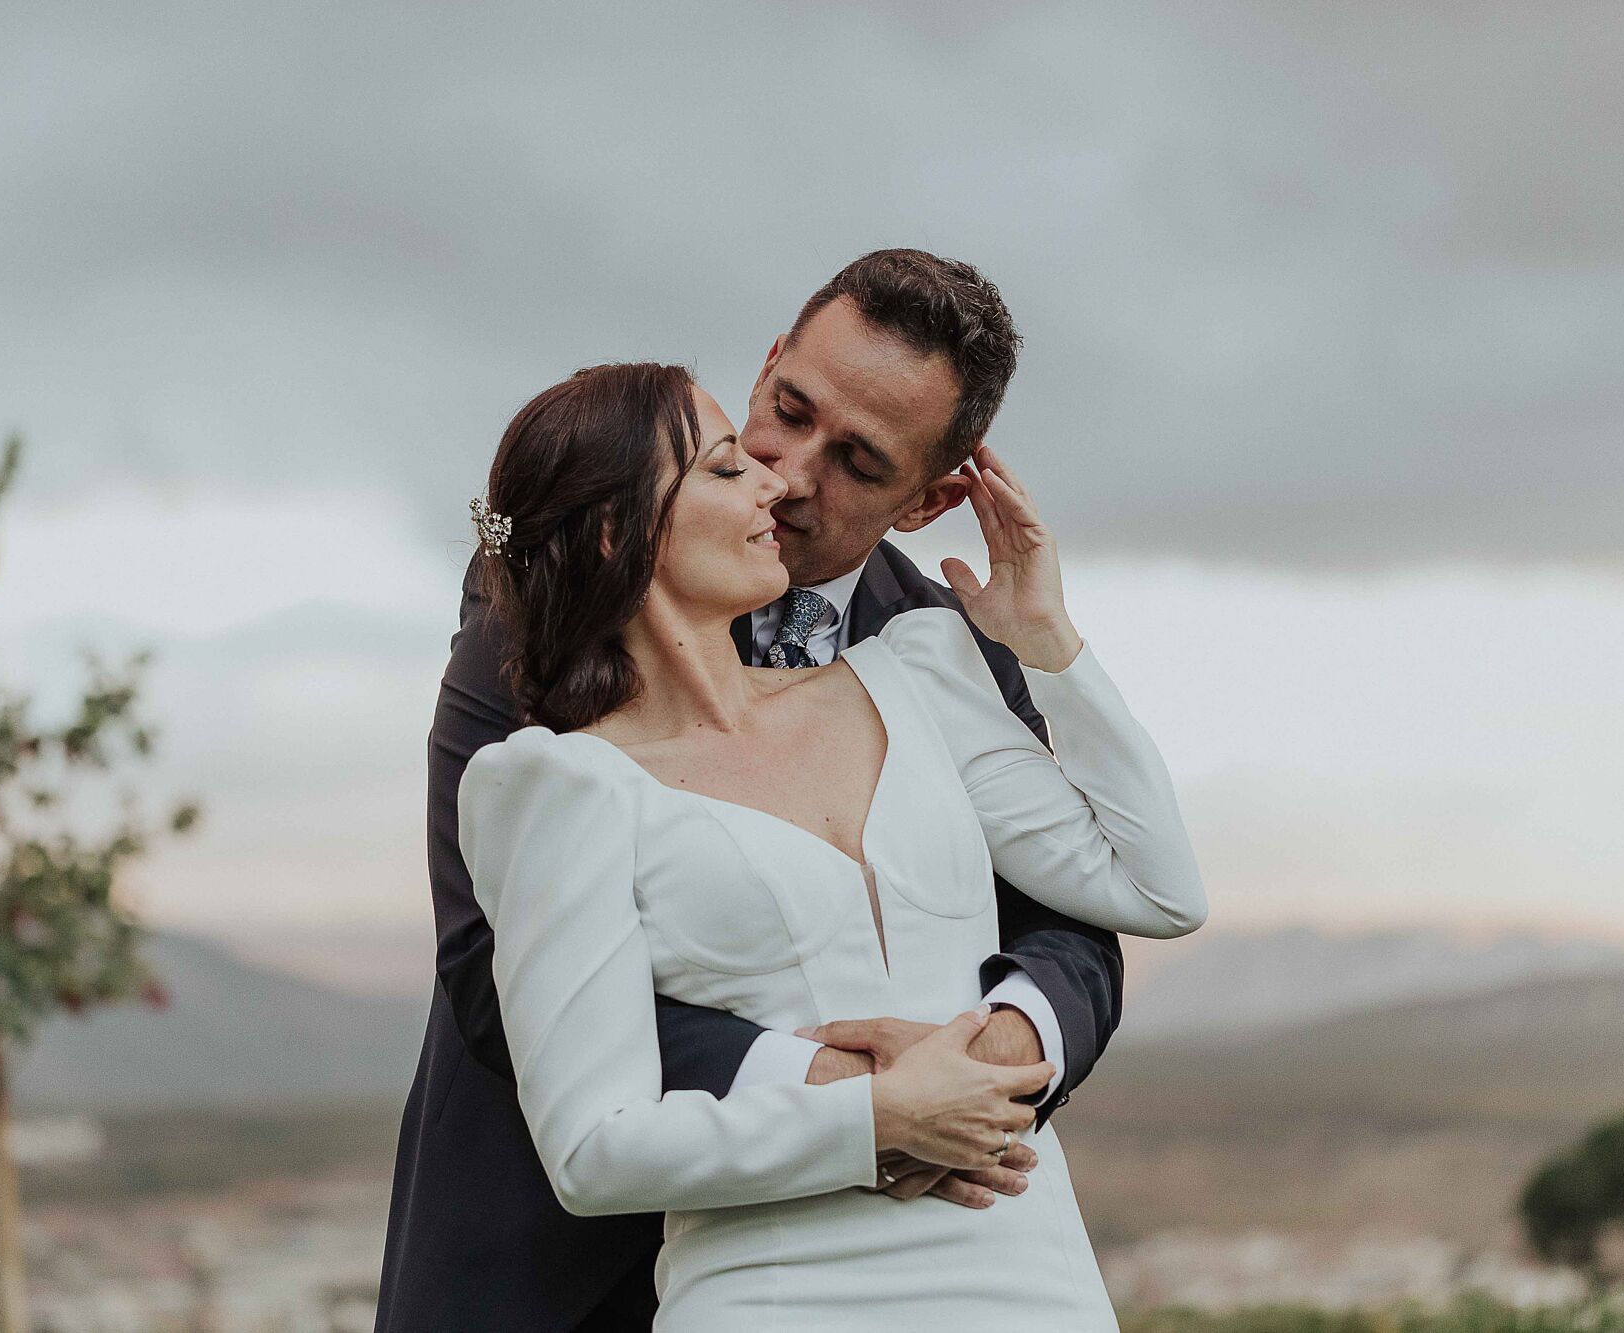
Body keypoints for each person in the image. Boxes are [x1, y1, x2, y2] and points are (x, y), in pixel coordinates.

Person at [375, 251, 1180, 1331]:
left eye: (854, 459)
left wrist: (990, 1056)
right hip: (574, 1273)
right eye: (783, 411)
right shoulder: (546, 596)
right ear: (766, 366)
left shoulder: (939, 647)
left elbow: (1072, 921)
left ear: (930, 497)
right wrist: (857, 1097)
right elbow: (489, 957)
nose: (787, 474)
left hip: (973, 1239)